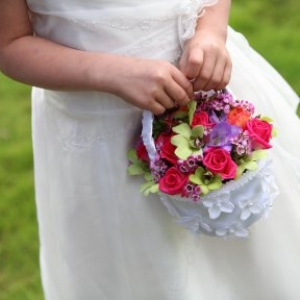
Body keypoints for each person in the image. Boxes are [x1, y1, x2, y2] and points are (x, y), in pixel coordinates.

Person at [1, 0, 300, 299]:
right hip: (101, 135)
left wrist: (211, 31)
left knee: (252, 260)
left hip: (209, 92)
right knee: (146, 269)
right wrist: (111, 73)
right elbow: (9, 44)